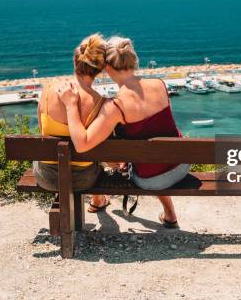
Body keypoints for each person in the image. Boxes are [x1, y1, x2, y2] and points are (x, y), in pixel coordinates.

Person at [58, 36, 189, 228]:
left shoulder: (115, 106)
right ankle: (170, 214)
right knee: (157, 153)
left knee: (125, 153)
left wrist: (70, 105)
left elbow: (82, 143)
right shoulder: (159, 84)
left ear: (107, 68)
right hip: (181, 165)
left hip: (151, 180)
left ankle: (98, 200)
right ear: (133, 61)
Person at [34, 33, 110, 213]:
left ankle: (93, 200)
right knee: (96, 160)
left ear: (75, 61)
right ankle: (98, 200)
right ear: (101, 69)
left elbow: (41, 131)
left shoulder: (48, 90)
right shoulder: (101, 103)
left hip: (46, 177)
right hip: (83, 180)